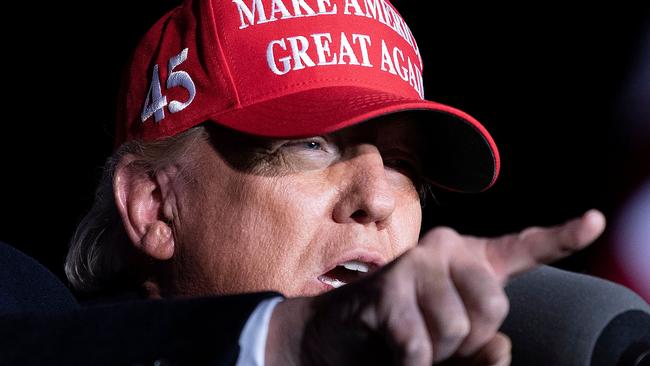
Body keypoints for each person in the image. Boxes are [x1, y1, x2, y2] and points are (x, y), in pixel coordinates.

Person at [2, 0, 607, 365]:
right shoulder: (21, 308)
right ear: (155, 205)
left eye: (404, 166)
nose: (377, 200)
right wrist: (291, 340)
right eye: (311, 144)